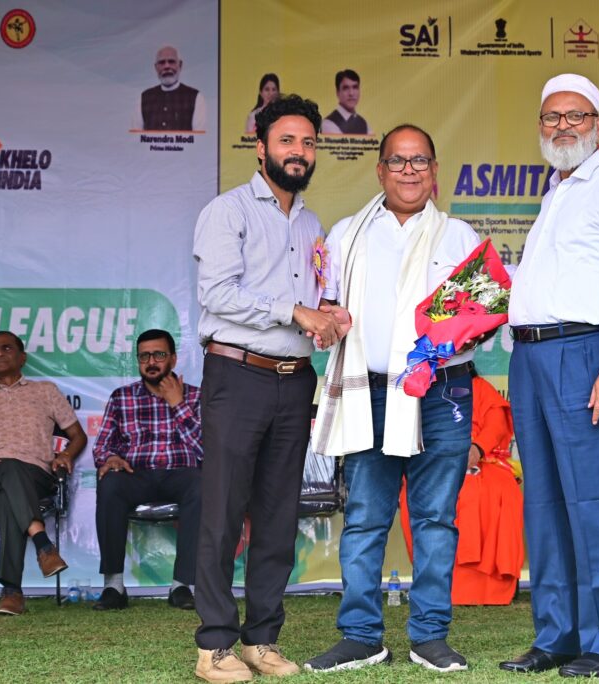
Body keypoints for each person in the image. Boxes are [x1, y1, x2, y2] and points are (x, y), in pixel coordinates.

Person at [306, 124, 480, 673]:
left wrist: (451, 339)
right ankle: (361, 636)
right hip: (372, 392)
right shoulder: (346, 235)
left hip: (442, 392)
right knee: (364, 518)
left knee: (435, 519)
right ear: (380, 170)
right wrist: (329, 322)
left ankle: (430, 636)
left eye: (419, 160)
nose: (409, 171)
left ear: (435, 170)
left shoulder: (460, 237)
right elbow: (324, 306)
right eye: (398, 161)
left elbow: (482, 317)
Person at [499, 74, 599, 678]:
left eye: (576, 116)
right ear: (540, 125)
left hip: (586, 356)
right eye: (552, 117)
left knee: (596, 502)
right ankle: (557, 636)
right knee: (544, 503)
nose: (562, 126)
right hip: (531, 359)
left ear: (597, 124)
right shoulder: (554, 192)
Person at [191, 93, 350, 683]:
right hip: (237, 375)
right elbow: (217, 294)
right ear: (260, 148)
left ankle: (262, 639)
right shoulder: (227, 211)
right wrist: (295, 311)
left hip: (294, 380)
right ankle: (214, 645)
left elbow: (314, 304)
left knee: (280, 516)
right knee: (223, 513)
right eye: (287, 140)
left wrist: (329, 316)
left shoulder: (310, 224)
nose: (298, 151)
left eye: (307, 142)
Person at [0, 331, 87, 617]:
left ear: (23, 357)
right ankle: (43, 547)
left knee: (10, 490)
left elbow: (78, 436)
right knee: (9, 469)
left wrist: (66, 455)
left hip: (36, 476)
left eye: (6, 348)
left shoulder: (45, 391)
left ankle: (12, 592)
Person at [91, 329, 202, 611]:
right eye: (144, 356)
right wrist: (110, 458)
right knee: (109, 482)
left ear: (173, 359)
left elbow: (207, 449)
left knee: (203, 485)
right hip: (136, 474)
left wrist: (177, 405)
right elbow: (102, 446)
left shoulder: (196, 396)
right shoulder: (122, 397)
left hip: (182, 474)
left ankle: (182, 586)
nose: (151, 362)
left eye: (159, 355)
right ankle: (113, 586)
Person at [397, 368, 524, 606]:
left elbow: (496, 424)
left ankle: (493, 587)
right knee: (420, 491)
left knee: (499, 488)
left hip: (482, 459)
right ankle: (435, 583)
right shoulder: (419, 387)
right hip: (432, 462)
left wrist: (477, 448)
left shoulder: (480, 388)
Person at [135, 45, 207, 131]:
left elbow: (199, 137)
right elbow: (135, 136)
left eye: (171, 61)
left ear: (180, 65)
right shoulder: (144, 98)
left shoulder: (196, 97)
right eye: (162, 62)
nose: (166, 66)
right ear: (156, 67)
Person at [321, 69, 372, 135]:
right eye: (346, 88)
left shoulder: (364, 124)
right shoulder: (328, 124)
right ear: (338, 92)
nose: (351, 93)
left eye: (355, 87)